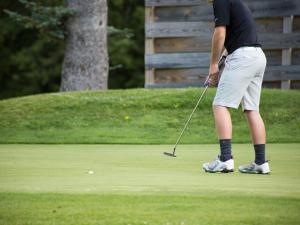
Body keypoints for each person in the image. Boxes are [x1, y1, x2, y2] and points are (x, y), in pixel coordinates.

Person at [202, 0, 271, 174]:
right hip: (257, 56)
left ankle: (225, 159)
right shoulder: (235, 2)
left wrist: (212, 66)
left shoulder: (220, 1)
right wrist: (221, 62)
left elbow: (220, 33)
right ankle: (261, 163)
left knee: (220, 105)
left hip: (243, 57)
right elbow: (235, 36)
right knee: (251, 109)